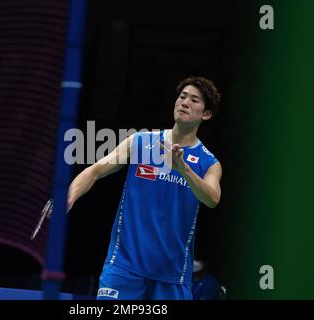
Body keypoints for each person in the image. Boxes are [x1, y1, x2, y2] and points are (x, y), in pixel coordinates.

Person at [67, 76, 222, 300]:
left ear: (206, 114)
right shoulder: (140, 142)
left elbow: (212, 198)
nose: (184, 102)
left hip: (172, 277)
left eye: (194, 100)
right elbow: (95, 170)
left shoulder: (209, 163)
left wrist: (183, 169)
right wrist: (69, 196)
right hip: (124, 267)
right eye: (182, 96)